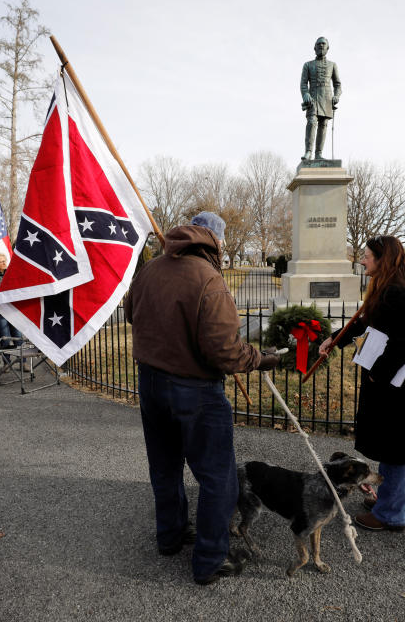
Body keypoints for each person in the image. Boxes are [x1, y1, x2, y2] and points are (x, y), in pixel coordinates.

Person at [123, 211, 279, 586]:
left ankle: (171, 536)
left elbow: (130, 313)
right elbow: (226, 353)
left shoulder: (150, 269)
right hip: (194, 391)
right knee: (217, 477)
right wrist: (264, 359)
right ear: (216, 241)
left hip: (150, 383)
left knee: (164, 467)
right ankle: (210, 559)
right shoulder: (209, 279)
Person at [318, 235, 405, 533]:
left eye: (367, 256)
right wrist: (336, 338)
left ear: (382, 259)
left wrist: (376, 374)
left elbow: (402, 344)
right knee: (395, 448)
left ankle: (390, 515)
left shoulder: (396, 292)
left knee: (395, 450)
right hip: (391, 383)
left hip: (395, 385)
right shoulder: (386, 289)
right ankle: (394, 504)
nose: (363, 260)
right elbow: (365, 321)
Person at [300, 36, 341, 161]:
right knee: (312, 122)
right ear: (314, 48)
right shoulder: (308, 65)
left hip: (327, 98)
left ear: (328, 48)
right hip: (313, 98)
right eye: (319, 44)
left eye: (323, 44)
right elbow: (303, 84)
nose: (321, 46)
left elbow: (338, 85)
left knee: (323, 125)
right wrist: (306, 94)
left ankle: (318, 153)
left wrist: (336, 96)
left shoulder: (332, 65)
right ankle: (308, 152)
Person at [0, 252, 22, 355]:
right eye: (0, 261)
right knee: (5, 338)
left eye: (4, 261)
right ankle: (6, 363)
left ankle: (22, 362)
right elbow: (0, 285)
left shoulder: (10, 273)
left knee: (18, 337)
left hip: (12, 310)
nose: (4, 263)